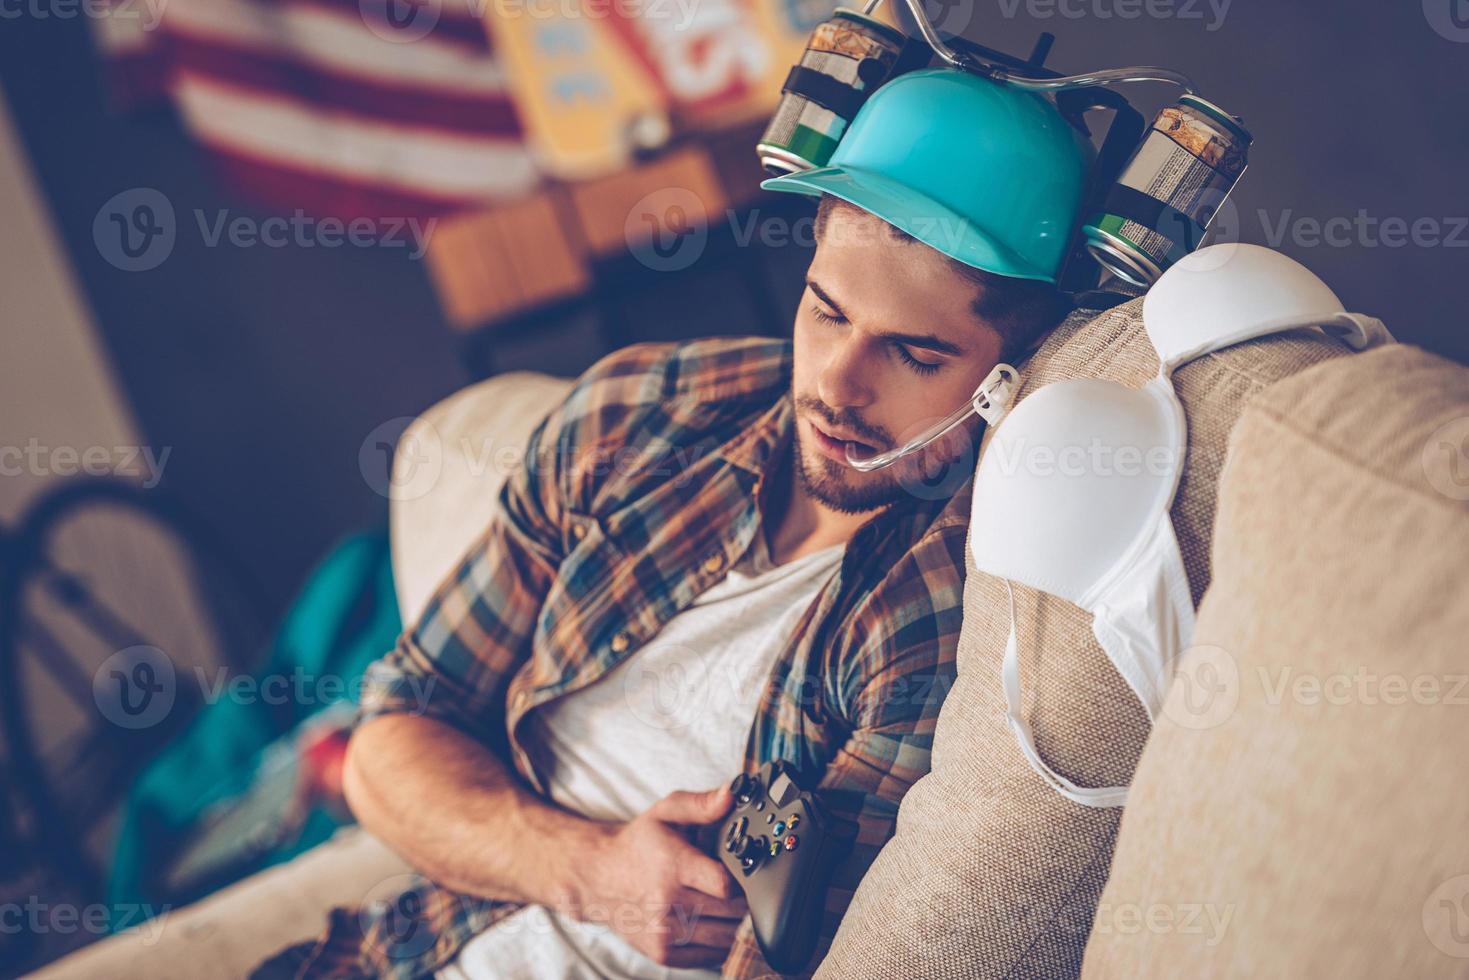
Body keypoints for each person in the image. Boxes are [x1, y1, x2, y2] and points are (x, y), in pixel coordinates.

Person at [273, 68, 1100, 980]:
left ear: (1007, 380)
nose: (836, 383)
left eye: (914, 353)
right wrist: (587, 870)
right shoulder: (636, 416)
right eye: (827, 311)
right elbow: (392, 737)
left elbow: (791, 955)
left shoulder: (939, 617)